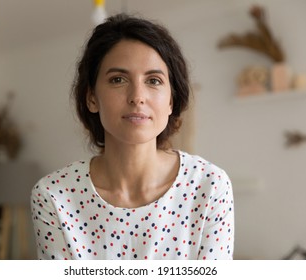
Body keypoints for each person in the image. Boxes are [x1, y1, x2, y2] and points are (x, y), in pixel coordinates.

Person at [30, 13, 234, 260]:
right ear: (91, 98)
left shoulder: (209, 186)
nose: (137, 96)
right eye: (118, 79)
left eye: (154, 80)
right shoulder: (54, 196)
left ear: (171, 101)